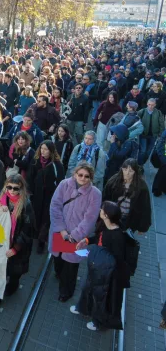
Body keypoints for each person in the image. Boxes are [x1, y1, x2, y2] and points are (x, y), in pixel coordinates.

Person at [71, 201, 130, 332]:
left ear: (107, 215)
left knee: (101, 297)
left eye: (102, 210)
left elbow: (117, 259)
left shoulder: (117, 236)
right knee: (87, 288)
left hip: (106, 274)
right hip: (96, 266)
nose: (100, 211)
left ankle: (98, 322)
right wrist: (86, 241)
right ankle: (83, 308)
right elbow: (99, 237)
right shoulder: (106, 225)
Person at [49, 162, 102, 302]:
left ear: (91, 178)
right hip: (59, 232)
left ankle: (66, 291)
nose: (83, 178)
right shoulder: (64, 184)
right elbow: (55, 206)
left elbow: (90, 219)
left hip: (76, 237)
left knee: (71, 266)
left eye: (87, 176)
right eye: (80, 175)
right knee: (58, 259)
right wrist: (61, 229)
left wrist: (75, 235)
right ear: (75, 174)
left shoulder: (95, 194)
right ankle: (59, 274)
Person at [0, 174, 33, 313]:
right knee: (0, 273)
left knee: (14, 273)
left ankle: (13, 286)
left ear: (21, 188)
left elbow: (28, 231)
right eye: (9, 187)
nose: (12, 191)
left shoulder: (26, 205)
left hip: (16, 247)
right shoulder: (2, 199)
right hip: (1, 245)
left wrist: (16, 248)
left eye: (16, 188)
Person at [29, 140, 65, 254]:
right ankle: (34, 236)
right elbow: (29, 178)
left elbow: (60, 182)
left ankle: (41, 241)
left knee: (46, 219)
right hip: (36, 195)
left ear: (51, 151)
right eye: (41, 149)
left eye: (46, 149)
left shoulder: (57, 164)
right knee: (35, 216)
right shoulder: (35, 161)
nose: (43, 151)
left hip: (50, 197)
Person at [103, 158, 151, 233]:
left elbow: (145, 208)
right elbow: (105, 199)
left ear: (135, 172)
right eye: (125, 169)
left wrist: (142, 228)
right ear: (121, 168)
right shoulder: (113, 181)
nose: (127, 173)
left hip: (129, 220)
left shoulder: (142, 187)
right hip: (112, 216)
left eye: (131, 171)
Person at [137, 99, 165, 165]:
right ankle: (139, 165)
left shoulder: (158, 112)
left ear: (155, 105)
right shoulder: (142, 111)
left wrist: (161, 135)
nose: (150, 106)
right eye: (149, 104)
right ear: (147, 104)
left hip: (153, 135)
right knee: (143, 151)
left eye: (152, 105)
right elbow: (135, 119)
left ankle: (143, 163)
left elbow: (162, 124)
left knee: (149, 151)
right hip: (143, 134)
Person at [153, 129, 166, 197]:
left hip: (163, 154)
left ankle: (161, 188)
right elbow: (160, 147)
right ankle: (157, 189)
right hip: (163, 155)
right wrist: (163, 159)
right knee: (163, 170)